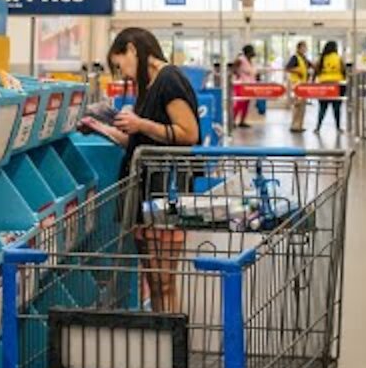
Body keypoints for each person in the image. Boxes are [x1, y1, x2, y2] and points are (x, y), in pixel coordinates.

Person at [78, 28, 200, 311]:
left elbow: (189, 133)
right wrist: (103, 129)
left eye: (121, 65)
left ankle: (172, 345)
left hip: (166, 193)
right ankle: (163, 340)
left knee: (164, 280)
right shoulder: (150, 86)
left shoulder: (170, 80)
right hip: (146, 194)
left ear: (133, 49)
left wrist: (140, 124)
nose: (125, 76)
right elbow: (139, 142)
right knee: (154, 279)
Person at [314, 41, 346, 133]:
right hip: (337, 84)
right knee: (336, 108)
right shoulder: (339, 58)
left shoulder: (321, 58)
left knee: (322, 108)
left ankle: (318, 127)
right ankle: (338, 127)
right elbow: (344, 71)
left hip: (324, 84)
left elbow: (316, 71)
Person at [285, 40, 312, 132]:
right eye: (303, 47)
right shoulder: (295, 57)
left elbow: (311, 66)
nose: (305, 49)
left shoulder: (304, 58)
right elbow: (288, 68)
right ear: (299, 48)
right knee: (298, 104)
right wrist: (297, 71)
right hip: (297, 83)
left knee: (302, 105)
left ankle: (300, 125)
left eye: (305, 47)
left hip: (303, 84)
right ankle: (294, 125)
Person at [230, 45, 258, 128]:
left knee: (246, 104)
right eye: (252, 51)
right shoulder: (241, 59)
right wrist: (237, 74)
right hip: (241, 84)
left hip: (249, 85)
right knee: (239, 103)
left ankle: (242, 121)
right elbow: (233, 68)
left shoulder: (250, 61)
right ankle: (232, 121)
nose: (254, 52)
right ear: (248, 52)